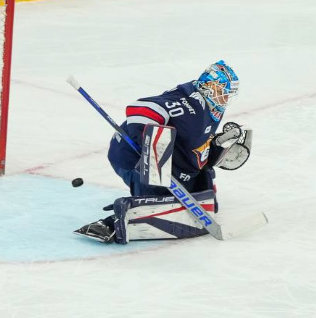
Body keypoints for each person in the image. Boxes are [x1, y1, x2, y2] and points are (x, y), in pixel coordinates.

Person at [75, 60, 254, 244]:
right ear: (209, 87)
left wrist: (216, 147)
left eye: (229, 94)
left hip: (176, 164)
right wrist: (152, 147)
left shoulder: (212, 106)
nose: (226, 99)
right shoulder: (188, 104)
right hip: (131, 157)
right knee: (158, 193)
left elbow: (192, 140)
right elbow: (140, 109)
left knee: (205, 195)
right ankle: (111, 224)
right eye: (223, 92)